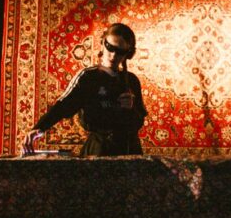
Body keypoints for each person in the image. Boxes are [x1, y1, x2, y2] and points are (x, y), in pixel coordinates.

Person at [21, 23, 147, 156]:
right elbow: (63, 106)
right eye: (110, 48)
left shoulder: (131, 81)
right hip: (100, 150)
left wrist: (131, 109)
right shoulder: (88, 77)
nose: (113, 55)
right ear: (102, 43)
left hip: (130, 150)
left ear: (128, 53)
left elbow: (139, 121)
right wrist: (39, 128)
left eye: (120, 51)